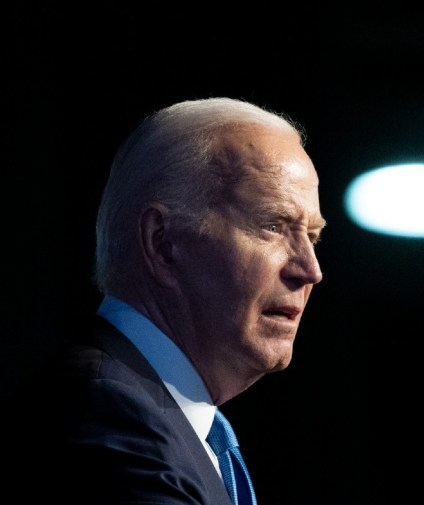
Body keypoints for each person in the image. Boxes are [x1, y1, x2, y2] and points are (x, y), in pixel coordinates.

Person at [4, 97, 325, 503]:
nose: (310, 270)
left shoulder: (165, 421)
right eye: (273, 226)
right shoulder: (109, 421)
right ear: (163, 243)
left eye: (312, 237)